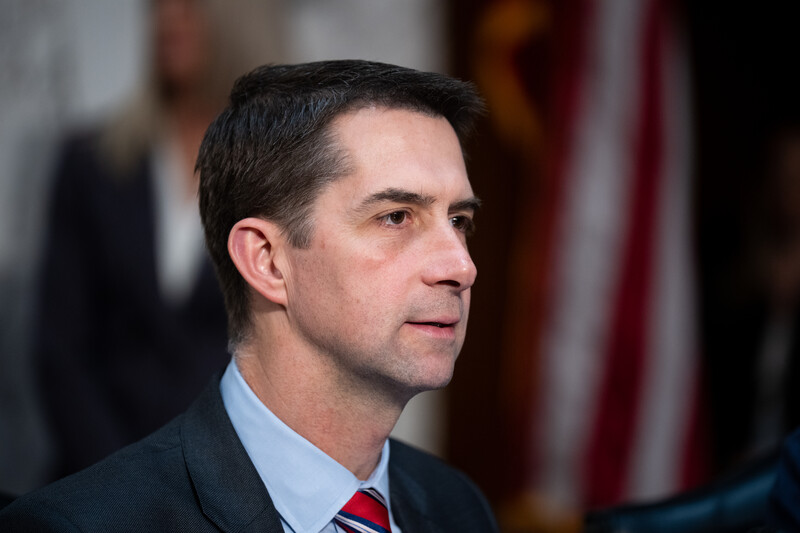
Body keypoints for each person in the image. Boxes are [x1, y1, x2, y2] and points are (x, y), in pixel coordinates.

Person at [0, 59, 499, 532]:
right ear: (266, 260)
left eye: (460, 221)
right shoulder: (87, 523)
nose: (461, 266)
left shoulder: (459, 507)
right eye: (396, 217)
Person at [34, 0, 284, 479]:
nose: (167, 21)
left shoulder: (280, 179)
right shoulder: (92, 162)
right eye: (157, 7)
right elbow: (59, 352)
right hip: (92, 478)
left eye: (188, 7)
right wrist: (121, 480)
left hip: (227, 479)